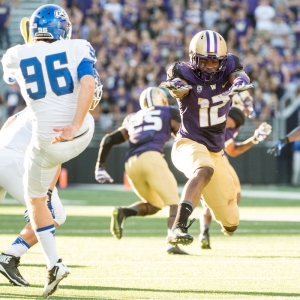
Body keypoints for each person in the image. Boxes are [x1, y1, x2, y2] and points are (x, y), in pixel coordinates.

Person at [1, 4, 97, 297]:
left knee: (39, 200)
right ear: (63, 29)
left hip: (30, 146)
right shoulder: (78, 46)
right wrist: (76, 122)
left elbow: (15, 75)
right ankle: (15, 257)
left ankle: (37, 260)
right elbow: (87, 83)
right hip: (69, 134)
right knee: (52, 209)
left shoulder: (15, 54)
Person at [159, 29, 254, 246]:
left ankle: (203, 200)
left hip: (216, 150)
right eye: (205, 62)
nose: (211, 67)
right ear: (194, 59)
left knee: (231, 222)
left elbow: (238, 74)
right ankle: (178, 226)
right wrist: (179, 89)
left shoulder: (230, 65)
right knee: (203, 169)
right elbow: (178, 87)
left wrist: (239, 82)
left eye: (215, 62)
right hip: (189, 141)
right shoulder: (182, 71)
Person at [95, 87, 187, 255]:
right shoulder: (168, 112)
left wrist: (100, 167)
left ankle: (123, 212)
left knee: (155, 205)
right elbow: (183, 135)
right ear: (162, 100)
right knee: (174, 203)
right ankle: (172, 242)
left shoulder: (133, 117)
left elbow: (108, 139)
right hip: (151, 158)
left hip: (131, 164)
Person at [199, 91, 272, 249]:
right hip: (214, 157)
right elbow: (219, 129)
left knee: (211, 201)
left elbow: (231, 149)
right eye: (246, 101)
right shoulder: (234, 114)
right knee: (234, 195)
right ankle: (226, 222)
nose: (248, 106)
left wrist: (254, 138)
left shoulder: (225, 115)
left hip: (203, 155)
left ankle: (204, 231)